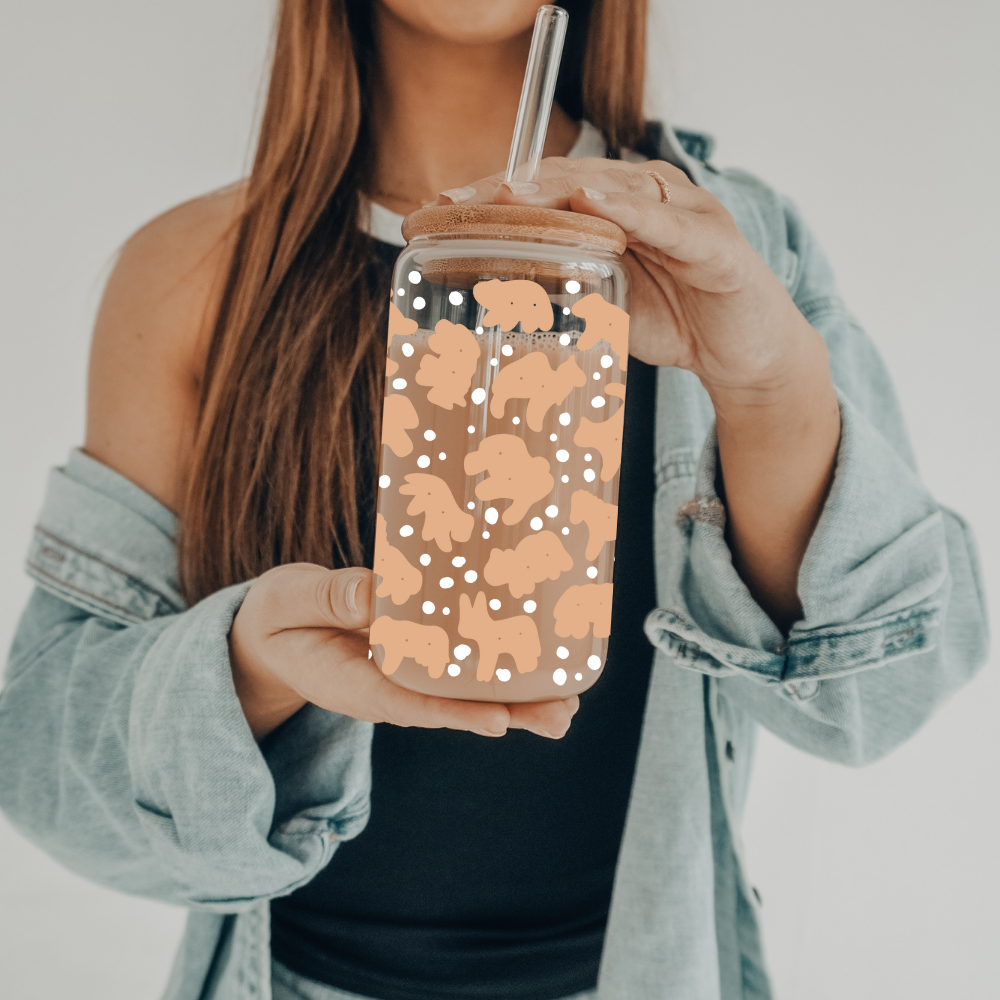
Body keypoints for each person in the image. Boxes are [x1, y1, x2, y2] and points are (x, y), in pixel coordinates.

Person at [0, 1, 988, 998]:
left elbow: (879, 698)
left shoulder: (733, 250)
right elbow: (46, 767)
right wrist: (245, 666)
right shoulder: (194, 273)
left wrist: (767, 381)